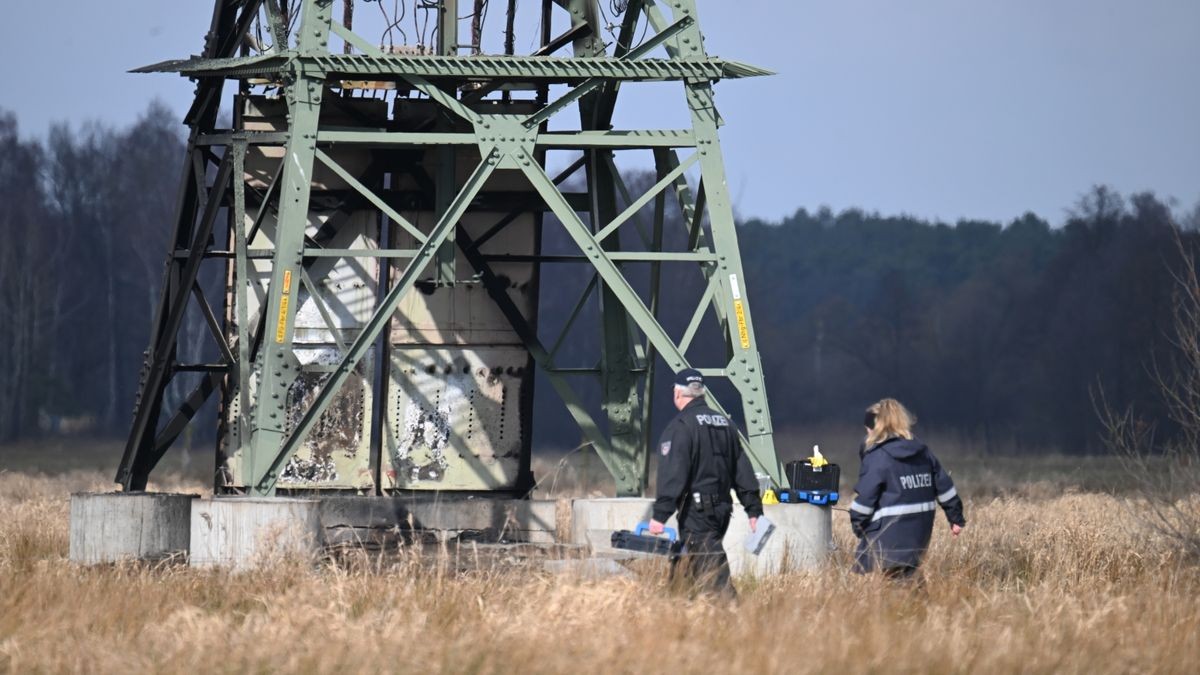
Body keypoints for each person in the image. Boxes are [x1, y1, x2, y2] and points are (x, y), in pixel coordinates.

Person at [648, 369, 763, 596]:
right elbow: (742, 470)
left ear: (677, 393)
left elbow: (674, 474)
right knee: (689, 570)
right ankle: (684, 613)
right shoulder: (726, 424)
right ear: (701, 393)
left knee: (715, 576)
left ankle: (734, 619)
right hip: (722, 511)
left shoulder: (681, 427)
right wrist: (753, 509)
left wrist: (660, 515)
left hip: (697, 513)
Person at [849, 398, 966, 579]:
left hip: (891, 533)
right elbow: (944, 486)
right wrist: (955, 517)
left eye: (867, 428)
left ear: (875, 427)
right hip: (920, 528)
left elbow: (865, 501)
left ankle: (906, 608)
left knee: (896, 586)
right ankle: (922, 607)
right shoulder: (922, 451)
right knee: (910, 576)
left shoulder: (877, 457)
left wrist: (858, 525)